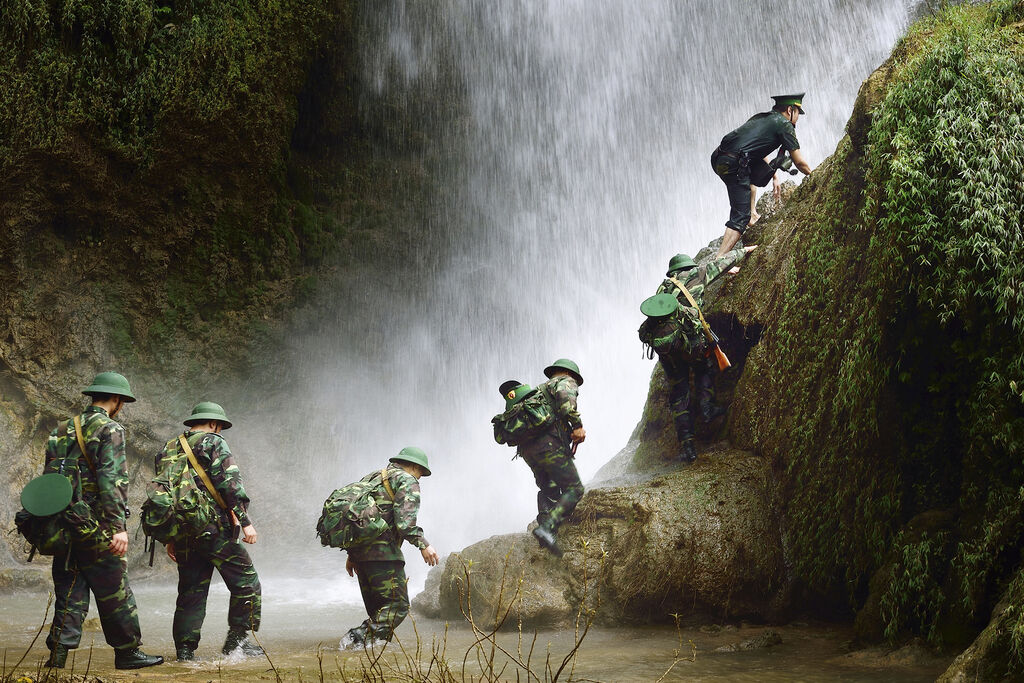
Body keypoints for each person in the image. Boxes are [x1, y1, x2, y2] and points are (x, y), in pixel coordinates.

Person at [43, 372, 163, 670]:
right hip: (96, 527)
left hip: (64, 523)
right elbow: (113, 481)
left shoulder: (60, 429)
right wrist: (117, 528)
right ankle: (127, 653)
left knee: (69, 590)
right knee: (114, 589)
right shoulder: (110, 428)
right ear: (118, 400)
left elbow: (48, 481)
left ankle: (57, 658)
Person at [158, 402, 262, 661]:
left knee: (190, 591)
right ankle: (237, 644)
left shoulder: (168, 448)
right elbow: (230, 483)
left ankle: (184, 651)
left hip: (182, 532)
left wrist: (170, 536)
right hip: (213, 528)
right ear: (215, 424)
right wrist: (245, 521)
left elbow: (165, 494)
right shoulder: (214, 442)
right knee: (247, 583)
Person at [640, 248, 756, 463]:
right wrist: (747, 249)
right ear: (689, 268)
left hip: (669, 349)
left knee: (679, 391)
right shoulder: (699, 274)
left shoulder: (663, 288)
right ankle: (707, 410)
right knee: (705, 368)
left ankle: (687, 447)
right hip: (691, 344)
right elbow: (726, 261)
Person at [343, 447, 440, 648]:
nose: (420, 478)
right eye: (421, 472)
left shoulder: (373, 477)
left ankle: (369, 656)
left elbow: (356, 517)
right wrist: (424, 545)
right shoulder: (407, 480)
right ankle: (354, 639)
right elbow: (404, 522)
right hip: (383, 554)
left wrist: (352, 555)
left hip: (360, 554)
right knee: (397, 606)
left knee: (379, 610)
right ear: (414, 466)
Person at [712, 93, 813, 256]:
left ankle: (752, 213)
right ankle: (719, 259)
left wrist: (774, 176)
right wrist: (815, 176)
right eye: (797, 113)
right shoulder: (784, 125)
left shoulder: (762, 118)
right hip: (733, 163)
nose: (798, 118)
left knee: (755, 175)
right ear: (790, 110)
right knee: (740, 216)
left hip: (719, 158)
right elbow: (799, 162)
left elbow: (754, 147)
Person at [517, 359, 586, 557]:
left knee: (550, 489)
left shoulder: (537, 392)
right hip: (549, 446)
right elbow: (566, 401)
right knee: (575, 489)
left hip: (528, 451)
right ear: (567, 373)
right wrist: (577, 426)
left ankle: (546, 529)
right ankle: (547, 528)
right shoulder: (565, 382)